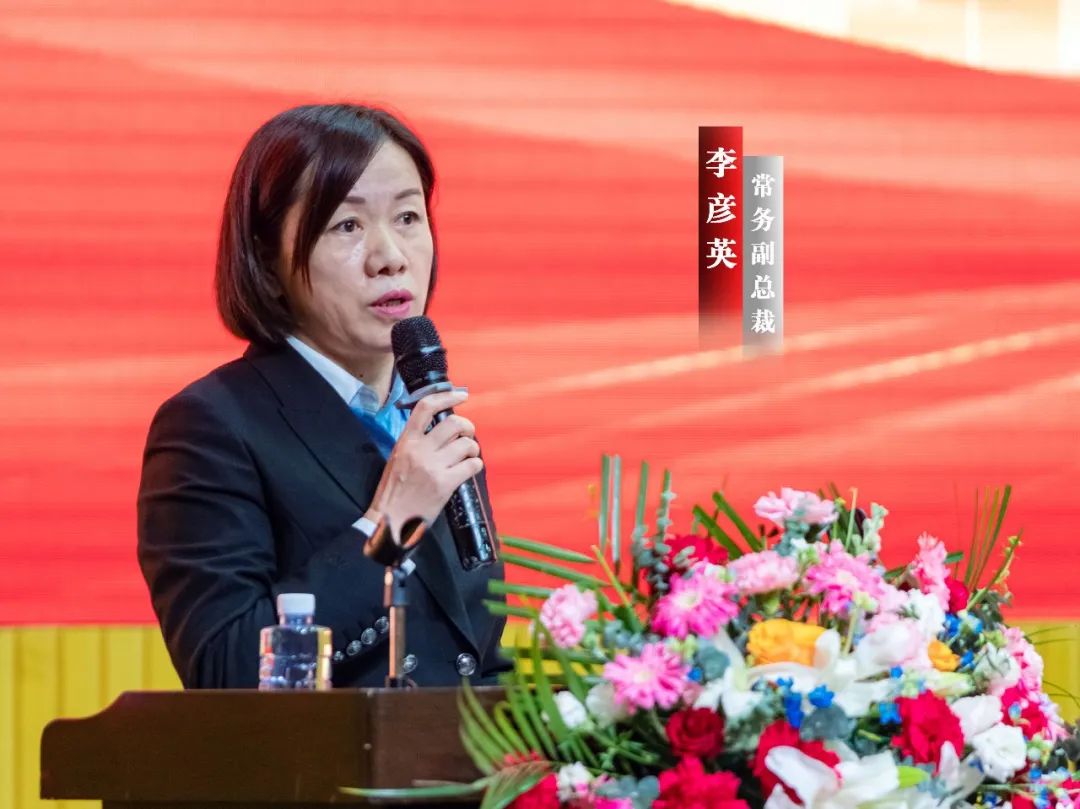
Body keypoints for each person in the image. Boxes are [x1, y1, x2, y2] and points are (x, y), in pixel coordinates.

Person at [137, 103, 509, 688]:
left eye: (408, 217)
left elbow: (473, 657)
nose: (391, 257)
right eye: (347, 226)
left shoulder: (431, 418)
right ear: (268, 260)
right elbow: (225, 669)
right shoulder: (210, 427)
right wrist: (386, 528)